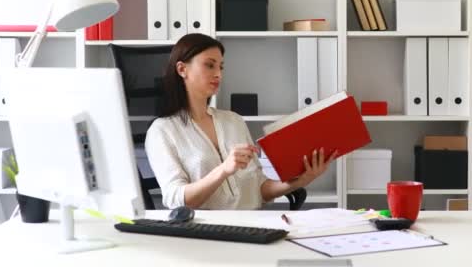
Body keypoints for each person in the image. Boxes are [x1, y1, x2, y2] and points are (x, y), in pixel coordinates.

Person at [145, 33, 338, 210]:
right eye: (209, 65)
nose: (218, 74)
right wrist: (224, 170)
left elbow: (261, 190)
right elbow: (176, 199)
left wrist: (302, 180)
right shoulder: (162, 131)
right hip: (206, 233)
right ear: (182, 69)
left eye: (221, 67)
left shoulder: (234, 121)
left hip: (253, 226)